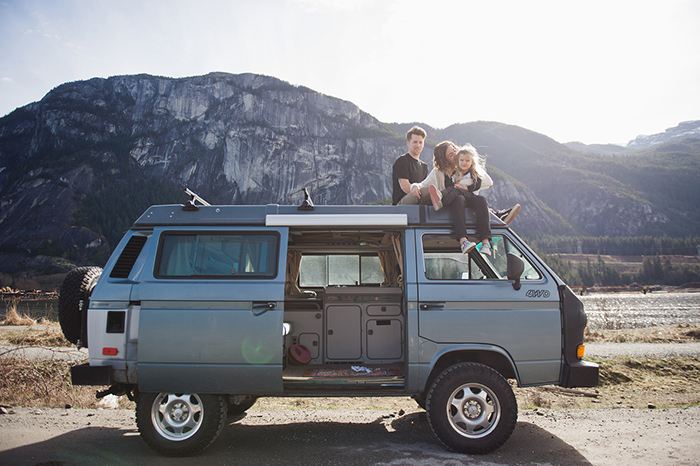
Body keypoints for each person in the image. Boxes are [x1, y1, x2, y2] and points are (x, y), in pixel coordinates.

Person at [392, 126, 430, 205]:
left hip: (419, 201)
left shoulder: (424, 167)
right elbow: (404, 186)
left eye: (420, 142)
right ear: (408, 143)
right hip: (401, 204)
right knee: (426, 191)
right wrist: (422, 194)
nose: (418, 145)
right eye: (415, 142)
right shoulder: (402, 161)